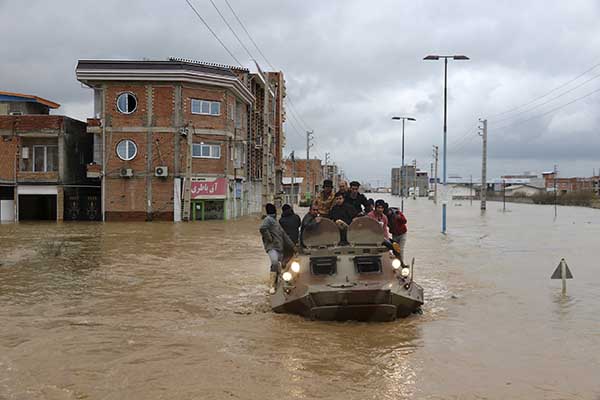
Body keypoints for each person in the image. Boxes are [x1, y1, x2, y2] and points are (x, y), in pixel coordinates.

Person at [260, 203, 295, 294]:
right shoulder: (268, 219)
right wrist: (269, 238)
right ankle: (272, 286)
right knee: (275, 262)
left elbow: (285, 236)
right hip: (272, 247)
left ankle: (279, 285)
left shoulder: (276, 222)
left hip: (279, 248)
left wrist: (293, 246)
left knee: (280, 268)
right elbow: (262, 228)